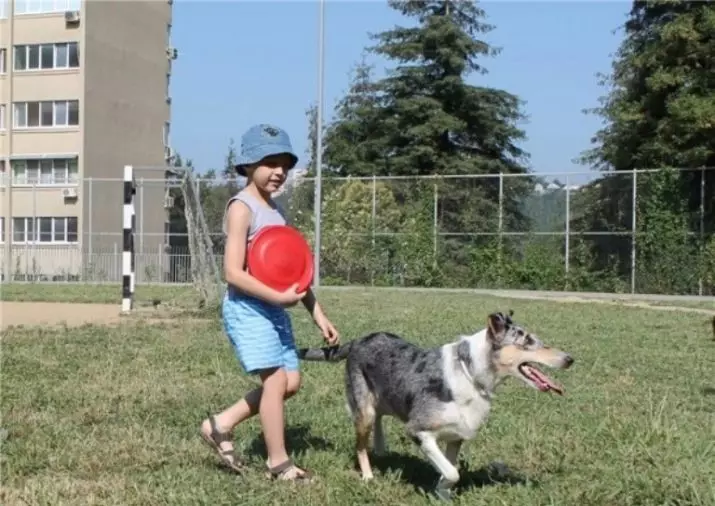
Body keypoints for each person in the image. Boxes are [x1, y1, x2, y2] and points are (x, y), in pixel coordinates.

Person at [199, 124, 339, 482]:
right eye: (270, 163)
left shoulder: (277, 214)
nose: (279, 172)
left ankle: (221, 424)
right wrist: (277, 296)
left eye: (285, 165)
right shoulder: (241, 208)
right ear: (248, 165)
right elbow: (232, 271)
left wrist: (317, 314)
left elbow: (296, 274)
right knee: (275, 381)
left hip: (274, 310)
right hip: (247, 308)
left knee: (291, 383)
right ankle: (279, 463)